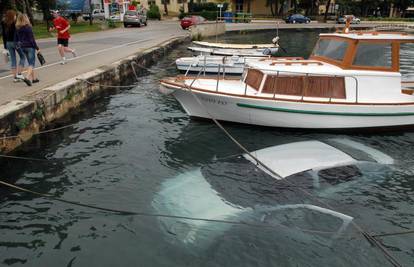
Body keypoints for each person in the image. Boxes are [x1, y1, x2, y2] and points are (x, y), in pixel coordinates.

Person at [15, 13, 40, 86]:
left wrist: (18, 45)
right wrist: (37, 48)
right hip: (30, 47)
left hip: (22, 47)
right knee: (31, 63)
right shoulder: (28, 27)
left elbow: (17, 39)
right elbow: (32, 39)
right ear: (26, 19)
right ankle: (27, 77)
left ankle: (34, 79)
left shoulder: (18, 28)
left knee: (29, 63)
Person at [1, 9, 25, 82]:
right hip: (16, 42)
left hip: (8, 43)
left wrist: (5, 46)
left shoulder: (3, 23)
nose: (15, 16)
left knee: (13, 59)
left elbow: (3, 35)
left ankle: (15, 77)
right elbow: (18, 33)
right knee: (22, 56)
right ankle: (19, 74)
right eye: (14, 15)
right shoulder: (15, 23)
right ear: (12, 16)